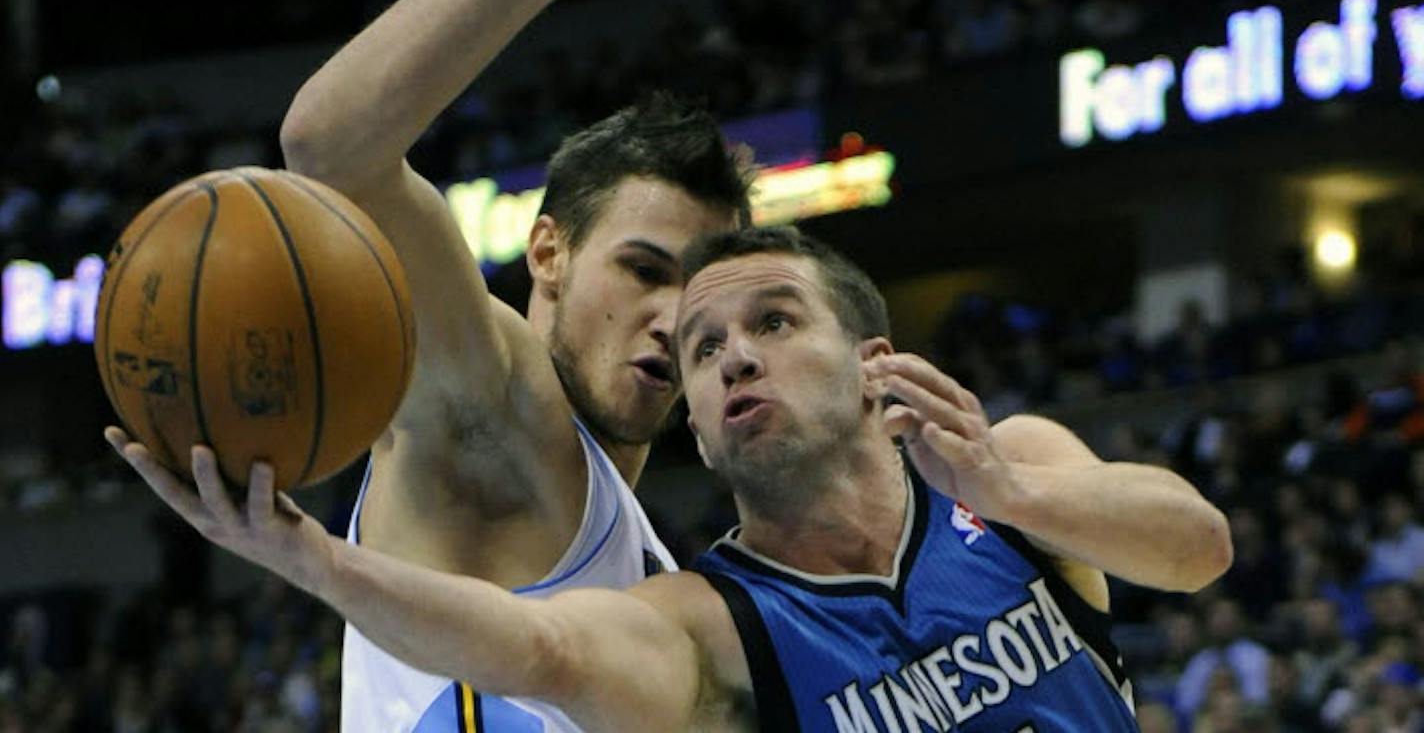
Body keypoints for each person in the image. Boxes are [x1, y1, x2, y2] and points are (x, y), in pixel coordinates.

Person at [271, 0, 828, 729]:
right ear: (547, 251)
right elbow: (329, 144)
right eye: (644, 268)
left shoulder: (648, 561)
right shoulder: (496, 402)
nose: (674, 318)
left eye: (698, 291)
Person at [109, 225, 1234, 732]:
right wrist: (308, 557)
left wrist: (1018, 491)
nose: (733, 352)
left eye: (773, 321)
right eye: (702, 349)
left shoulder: (1018, 476)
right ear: (696, 425)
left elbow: (1195, 546)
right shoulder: (706, 629)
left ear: (870, 362)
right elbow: (532, 644)